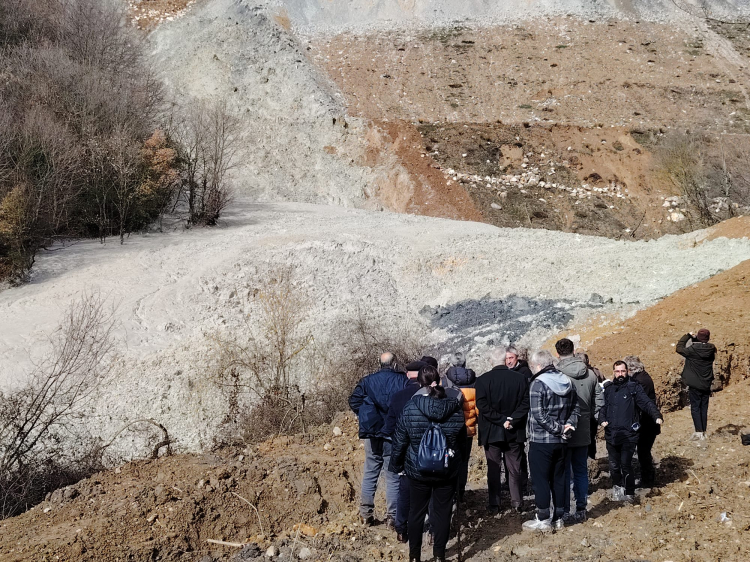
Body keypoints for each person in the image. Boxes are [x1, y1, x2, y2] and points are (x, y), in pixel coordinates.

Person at [390, 366, 467, 562]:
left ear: (419, 383)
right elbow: (461, 441)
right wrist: (459, 465)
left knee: (416, 513)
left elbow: (400, 440)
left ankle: (414, 556)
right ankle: (439, 555)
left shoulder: (411, 407)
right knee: (443, 513)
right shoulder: (454, 408)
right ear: (438, 381)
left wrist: (396, 465)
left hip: (418, 469)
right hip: (446, 468)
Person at [522, 350, 580, 532]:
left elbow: (538, 414)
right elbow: (576, 408)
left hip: (541, 440)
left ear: (539, 365)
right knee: (559, 479)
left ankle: (543, 518)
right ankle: (559, 517)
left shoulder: (538, 383)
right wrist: (568, 426)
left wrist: (558, 429)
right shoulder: (567, 381)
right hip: (562, 441)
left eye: (533, 366)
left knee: (540, 480)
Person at [349, 352, 407, 526]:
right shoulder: (402, 380)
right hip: (393, 432)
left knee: (370, 471)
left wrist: (367, 414)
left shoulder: (367, 381)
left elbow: (354, 401)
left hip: (372, 431)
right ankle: (392, 517)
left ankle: (365, 515)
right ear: (394, 364)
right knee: (393, 475)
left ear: (379, 363)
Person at [475, 347, 530, 515]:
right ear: (505, 360)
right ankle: (517, 501)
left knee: (494, 468)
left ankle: (494, 503)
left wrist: (500, 420)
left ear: (491, 361)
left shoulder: (482, 380)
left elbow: (482, 405)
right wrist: (512, 419)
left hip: (492, 430)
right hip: (514, 429)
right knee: (514, 467)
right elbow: (526, 403)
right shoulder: (520, 379)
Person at [599, 361, 663, 503]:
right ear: (613, 372)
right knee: (614, 465)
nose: (620, 374)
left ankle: (629, 492)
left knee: (625, 464)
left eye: (623, 371)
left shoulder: (634, 387)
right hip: (612, 433)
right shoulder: (609, 389)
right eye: (617, 371)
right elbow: (603, 407)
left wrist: (656, 415)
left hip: (629, 434)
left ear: (627, 371)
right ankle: (617, 488)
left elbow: (646, 402)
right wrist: (602, 419)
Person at [556, 339, 603, 523]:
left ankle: (565, 510)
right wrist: (589, 416)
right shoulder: (590, 374)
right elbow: (599, 401)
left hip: (563, 429)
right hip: (584, 427)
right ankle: (581, 508)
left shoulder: (557, 374)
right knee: (581, 470)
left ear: (558, 354)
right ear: (574, 351)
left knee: (564, 472)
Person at [383, 360, 425, 542]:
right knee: (429, 489)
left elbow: (388, 427)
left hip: (405, 449)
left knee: (404, 490)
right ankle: (431, 531)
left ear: (407, 375)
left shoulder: (398, 396)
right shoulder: (429, 395)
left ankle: (401, 528)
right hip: (427, 450)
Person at [443, 352, 478, 501]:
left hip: (450, 429)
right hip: (467, 428)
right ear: (465, 363)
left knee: (449, 459)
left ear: (451, 364)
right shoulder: (474, 380)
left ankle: (450, 493)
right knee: (463, 461)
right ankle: (460, 492)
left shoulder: (445, 381)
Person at [624, 356, 660, 488]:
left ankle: (648, 481)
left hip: (647, 423)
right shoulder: (643, 377)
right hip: (648, 422)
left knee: (643, 452)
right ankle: (647, 478)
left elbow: (638, 401)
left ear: (630, 369)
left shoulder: (640, 381)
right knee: (643, 451)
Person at [676, 329, 716, 441]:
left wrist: (688, 336)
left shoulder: (692, 350)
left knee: (695, 407)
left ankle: (698, 432)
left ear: (698, 337)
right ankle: (703, 431)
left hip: (694, 384)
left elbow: (679, 348)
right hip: (706, 383)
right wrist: (696, 340)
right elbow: (701, 347)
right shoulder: (712, 349)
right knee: (704, 407)